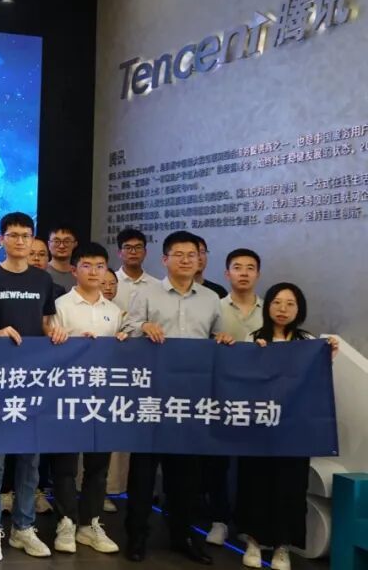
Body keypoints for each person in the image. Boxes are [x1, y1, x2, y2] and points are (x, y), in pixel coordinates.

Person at [122, 230, 235, 565]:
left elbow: (217, 335)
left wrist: (224, 338)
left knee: (186, 475)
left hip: (190, 401)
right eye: (179, 254)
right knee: (143, 473)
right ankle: (137, 537)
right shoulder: (147, 294)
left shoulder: (211, 298)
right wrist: (142, 328)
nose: (186, 260)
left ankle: (183, 536)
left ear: (200, 259)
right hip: (152, 396)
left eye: (192, 255)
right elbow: (126, 331)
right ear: (165, 259)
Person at [0, 212, 67, 562]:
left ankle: (23, 527)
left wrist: (55, 333)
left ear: (33, 240)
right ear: (1, 240)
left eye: (26, 235)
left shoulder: (43, 280)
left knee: (30, 458)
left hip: (33, 382)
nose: (20, 241)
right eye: (13, 235)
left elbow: (45, 324)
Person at [237, 283, 338, 570]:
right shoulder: (253, 338)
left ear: (299, 309)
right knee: (256, 482)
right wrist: (253, 356)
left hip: (295, 429)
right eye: (277, 302)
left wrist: (328, 355)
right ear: (267, 306)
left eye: (290, 303)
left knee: (291, 486)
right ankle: (254, 541)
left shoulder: (308, 342)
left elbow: (318, 381)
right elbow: (243, 379)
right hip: (259, 427)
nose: (283, 309)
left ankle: (283, 546)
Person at [49, 242, 124, 556]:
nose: (94, 272)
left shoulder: (115, 312)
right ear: (74, 269)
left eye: (100, 266)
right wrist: (69, 342)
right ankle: (66, 521)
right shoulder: (59, 306)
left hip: (103, 399)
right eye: (87, 265)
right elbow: (48, 350)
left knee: (98, 465)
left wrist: (122, 342)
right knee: (65, 464)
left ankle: (90, 523)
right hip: (67, 396)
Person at [203, 248, 264, 547]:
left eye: (250, 268)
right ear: (227, 273)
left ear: (258, 274)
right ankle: (218, 520)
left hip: (258, 397)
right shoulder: (214, 307)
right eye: (237, 267)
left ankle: (248, 523)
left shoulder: (269, 309)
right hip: (221, 394)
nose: (244, 273)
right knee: (218, 462)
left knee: (252, 465)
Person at [112, 228, 161, 312]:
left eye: (138, 247)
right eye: (128, 248)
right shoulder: (108, 283)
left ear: (145, 252)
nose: (133, 252)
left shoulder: (157, 286)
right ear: (119, 253)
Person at [46, 225, 78, 289]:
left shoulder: (80, 274)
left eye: (67, 241)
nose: (61, 246)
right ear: (49, 244)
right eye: (56, 241)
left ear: (75, 244)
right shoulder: (42, 272)